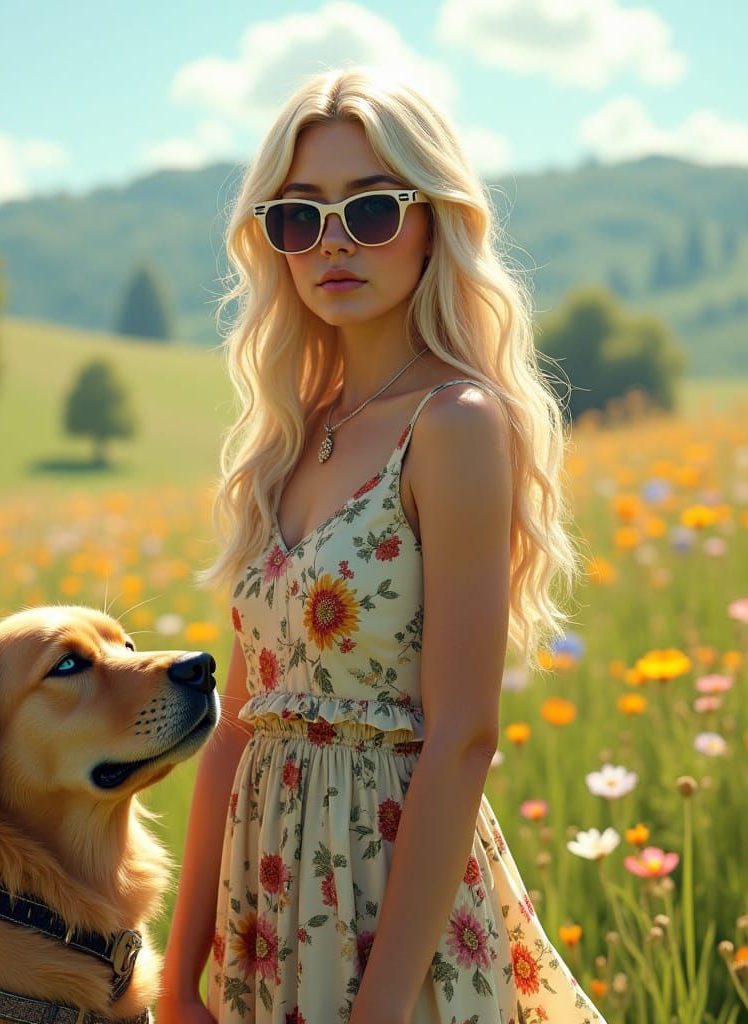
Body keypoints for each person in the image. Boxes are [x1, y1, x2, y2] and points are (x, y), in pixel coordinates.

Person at [159, 67, 605, 1024]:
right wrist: (176, 974)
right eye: (298, 215)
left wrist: (383, 1006)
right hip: (261, 912)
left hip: (391, 911)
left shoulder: (455, 423)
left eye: (371, 209)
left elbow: (463, 735)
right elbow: (238, 723)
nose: (331, 242)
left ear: (434, 217)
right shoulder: (287, 436)